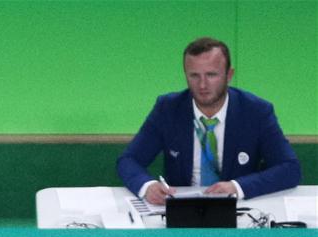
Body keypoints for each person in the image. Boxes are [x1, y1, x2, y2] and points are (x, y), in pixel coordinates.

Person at [116, 37, 301, 204]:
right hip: (181, 213)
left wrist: (237, 187)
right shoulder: (168, 109)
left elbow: (290, 169)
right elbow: (129, 160)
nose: (202, 85)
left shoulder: (256, 111)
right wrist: (147, 186)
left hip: (240, 210)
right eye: (194, 75)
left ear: (229, 75)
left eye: (211, 75)